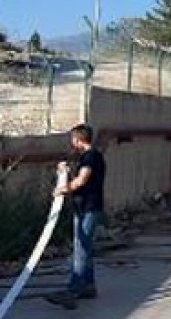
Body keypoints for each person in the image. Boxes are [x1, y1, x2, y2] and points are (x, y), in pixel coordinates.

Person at [45, 124, 106, 310]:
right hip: (85, 207)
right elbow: (81, 177)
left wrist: (62, 189)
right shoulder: (91, 156)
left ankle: (73, 290)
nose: (72, 142)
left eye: (73, 139)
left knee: (81, 248)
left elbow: (83, 179)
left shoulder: (90, 157)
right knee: (84, 246)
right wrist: (65, 172)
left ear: (79, 140)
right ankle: (88, 285)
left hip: (88, 208)